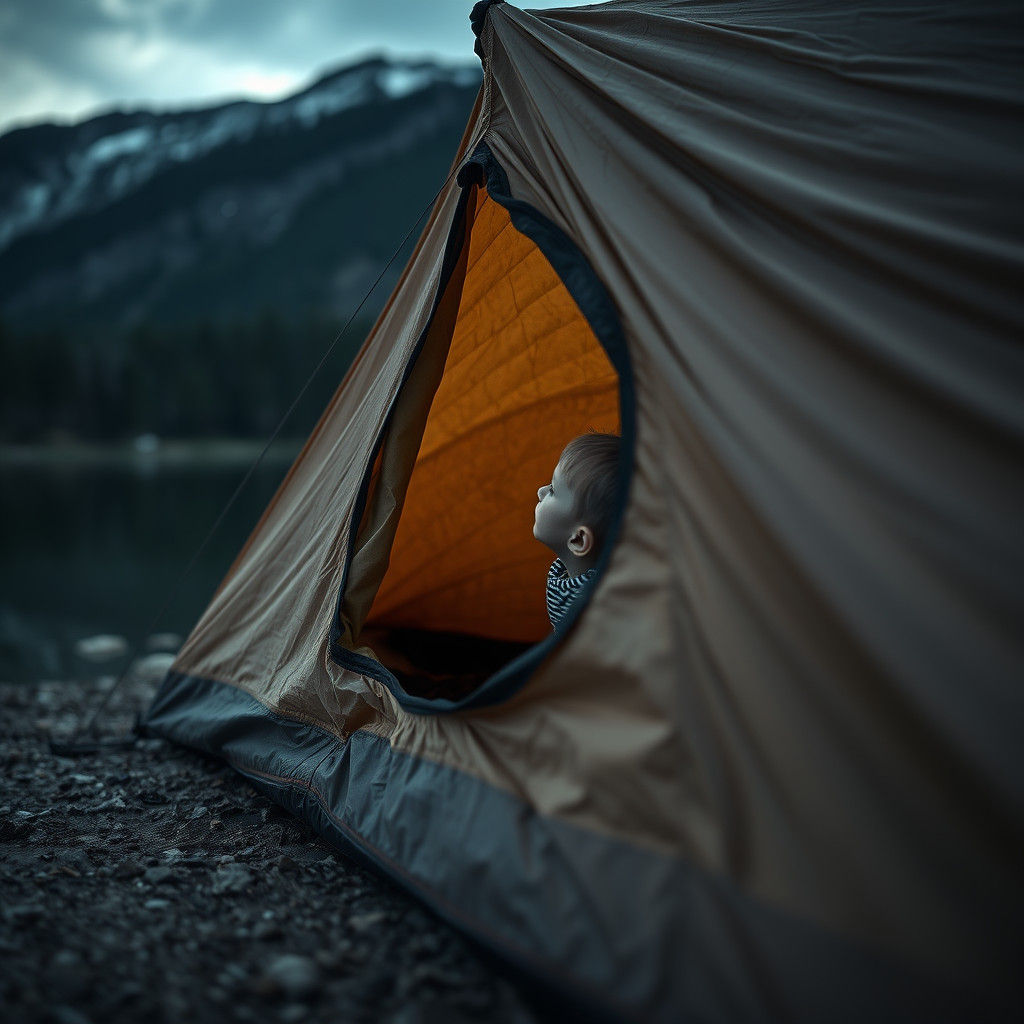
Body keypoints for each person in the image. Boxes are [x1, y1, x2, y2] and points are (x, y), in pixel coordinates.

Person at [533, 432, 620, 629]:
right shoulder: (569, 578)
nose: (541, 491)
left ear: (578, 540)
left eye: (553, 491)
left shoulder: (594, 607)